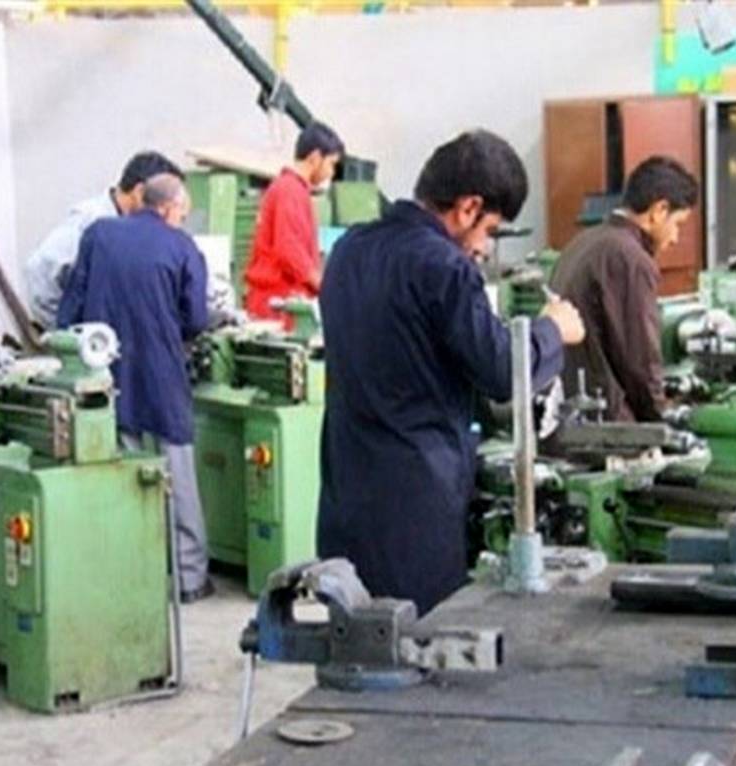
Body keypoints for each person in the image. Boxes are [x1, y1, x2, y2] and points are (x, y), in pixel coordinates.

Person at [317, 130, 586, 614]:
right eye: (489, 231)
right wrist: (552, 330)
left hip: (346, 496)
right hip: (415, 510)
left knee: (354, 638)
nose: (483, 248)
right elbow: (502, 371)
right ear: (468, 207)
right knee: (420, 641)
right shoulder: (443, 266)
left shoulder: (349, 250)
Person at [57, 174, 214, 603]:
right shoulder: (182, 247)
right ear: (169, 209)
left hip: (104, 373)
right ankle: (189, 578)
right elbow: (197, 320)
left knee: (120, 474)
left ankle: (127, 572)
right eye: (182, 213)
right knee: (177, 473)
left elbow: (69, 309)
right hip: (161, 372)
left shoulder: (99, 234)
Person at [550, 156, 699, 423]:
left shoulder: (583, 242)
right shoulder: (630, 258)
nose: (676, 238)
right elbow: (639, 361)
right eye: (677, 224)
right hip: (610, 425)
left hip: (569, 416)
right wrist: (663, 417)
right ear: (659, 210)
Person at [26, 151, 183, 330]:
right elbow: (39, 271)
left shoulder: (131, 228)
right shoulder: (89, 221)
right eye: (164, 202)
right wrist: (66, 331)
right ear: (140, 192)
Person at [243, 122, 344, 327]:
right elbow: (289, 250)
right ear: (315, 158)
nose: (332, 173)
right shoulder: (291, 190)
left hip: (277, 301)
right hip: (279, 304)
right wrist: (325, 287)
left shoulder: (288, 188)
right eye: (331, 164)